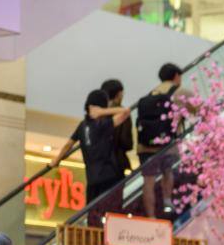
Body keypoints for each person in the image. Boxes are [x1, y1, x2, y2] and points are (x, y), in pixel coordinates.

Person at [51, 90, 130, 226]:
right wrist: (104, 112)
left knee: (93, 215)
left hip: (92, 179)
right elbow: (126, 112)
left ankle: (96, 238)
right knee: (111, 215)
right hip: (110, 177)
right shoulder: (104, 125)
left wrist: (56, 161)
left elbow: (67, 146)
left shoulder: (82, 126)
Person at [136, 62, 194, 218]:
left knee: (148, 181)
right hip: (167, 145)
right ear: (176, 76)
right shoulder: (180, 91)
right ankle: (167, 202)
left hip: (145, 146)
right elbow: (199, 109)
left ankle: (151, 216)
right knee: (168, 172)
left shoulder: (150, 95)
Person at [101, 79, 134, 176]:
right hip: (117, 162)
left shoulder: (98, 113)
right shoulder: (123, 113)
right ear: (118, 94)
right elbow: (126, 142)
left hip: (98, 163)